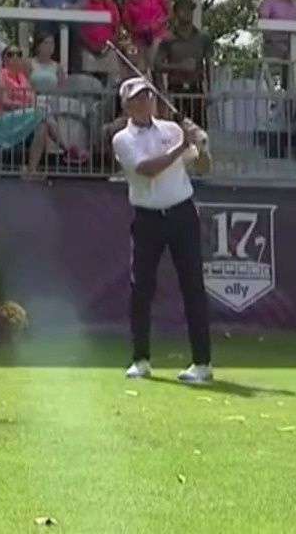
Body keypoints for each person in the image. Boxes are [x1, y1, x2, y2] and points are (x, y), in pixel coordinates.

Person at [113, 76, 213, 385]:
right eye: (139, 98)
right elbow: (148, 170)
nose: (146, 102)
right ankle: (140, 360)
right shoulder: (122, 139)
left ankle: (202, 364)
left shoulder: (172, 129)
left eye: (149, 96)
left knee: (193, 286)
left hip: (182, 214)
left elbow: (203, 167)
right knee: (141, 289)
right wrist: (183, 144)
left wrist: (202, 147)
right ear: (127, 106)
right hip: (148, 219)